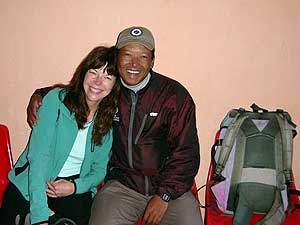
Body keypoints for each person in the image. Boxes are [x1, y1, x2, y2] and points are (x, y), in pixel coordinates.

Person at [26, 26, 202, 225]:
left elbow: (186, 153)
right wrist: (41, 93)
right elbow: (80, 89)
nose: (134, 63)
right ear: (117, 58)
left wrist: (164, 196)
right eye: (127, 55)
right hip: (122, 187)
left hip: (169, 190)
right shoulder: (109, 91)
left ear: (152, 61)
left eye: (143, 56)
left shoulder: (174, 96)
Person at [0, 46, 120, 225]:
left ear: (114, 85)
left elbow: (99, 170)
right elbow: (38, 158)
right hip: (34, 183)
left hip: (72, 189)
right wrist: (40, 215)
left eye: (107, 77)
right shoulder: (56, 101)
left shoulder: (107, 120)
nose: (98, 82)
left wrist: (74, 187)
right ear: (83, 74)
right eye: (93, 72)